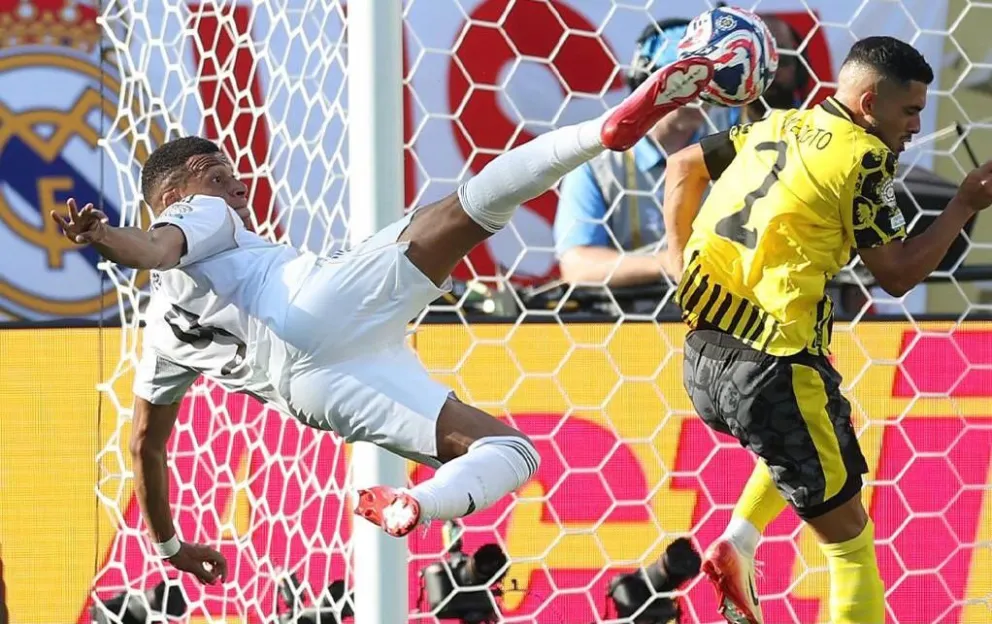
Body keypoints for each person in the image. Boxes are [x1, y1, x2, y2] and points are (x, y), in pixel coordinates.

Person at [52, 54, 717, 586]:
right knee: (466, 209)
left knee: (512, 450)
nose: (237, 188)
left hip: (318, 392)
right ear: (174, 194)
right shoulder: (200, 215)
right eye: (217, 175)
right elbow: (155, 246)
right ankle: (604, 132)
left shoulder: (160, 337)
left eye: (233, 177)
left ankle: (417, 505)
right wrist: (108, 236)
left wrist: (169, 544)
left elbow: (146, 443)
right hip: (312, 306)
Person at [661, 36, 992, 624]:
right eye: (910, 110)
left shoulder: (777, 125)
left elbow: (684, 164)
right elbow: (896, 275)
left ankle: (737, 542)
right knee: (852, 548)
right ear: (868, 102)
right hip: (774, 365)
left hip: (704, 352)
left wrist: (677, 255)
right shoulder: (863, 158)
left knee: (816, 435)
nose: (916, 125)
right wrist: (964, 205)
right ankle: (739, 543)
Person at [553, 18, 713, 290]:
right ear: (645, 83)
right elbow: (576, 264)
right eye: (682, 80)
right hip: (632, 326)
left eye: (705, 82)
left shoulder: (731, 151)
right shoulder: (595, 163)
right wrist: (672, 263)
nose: (696, 94)